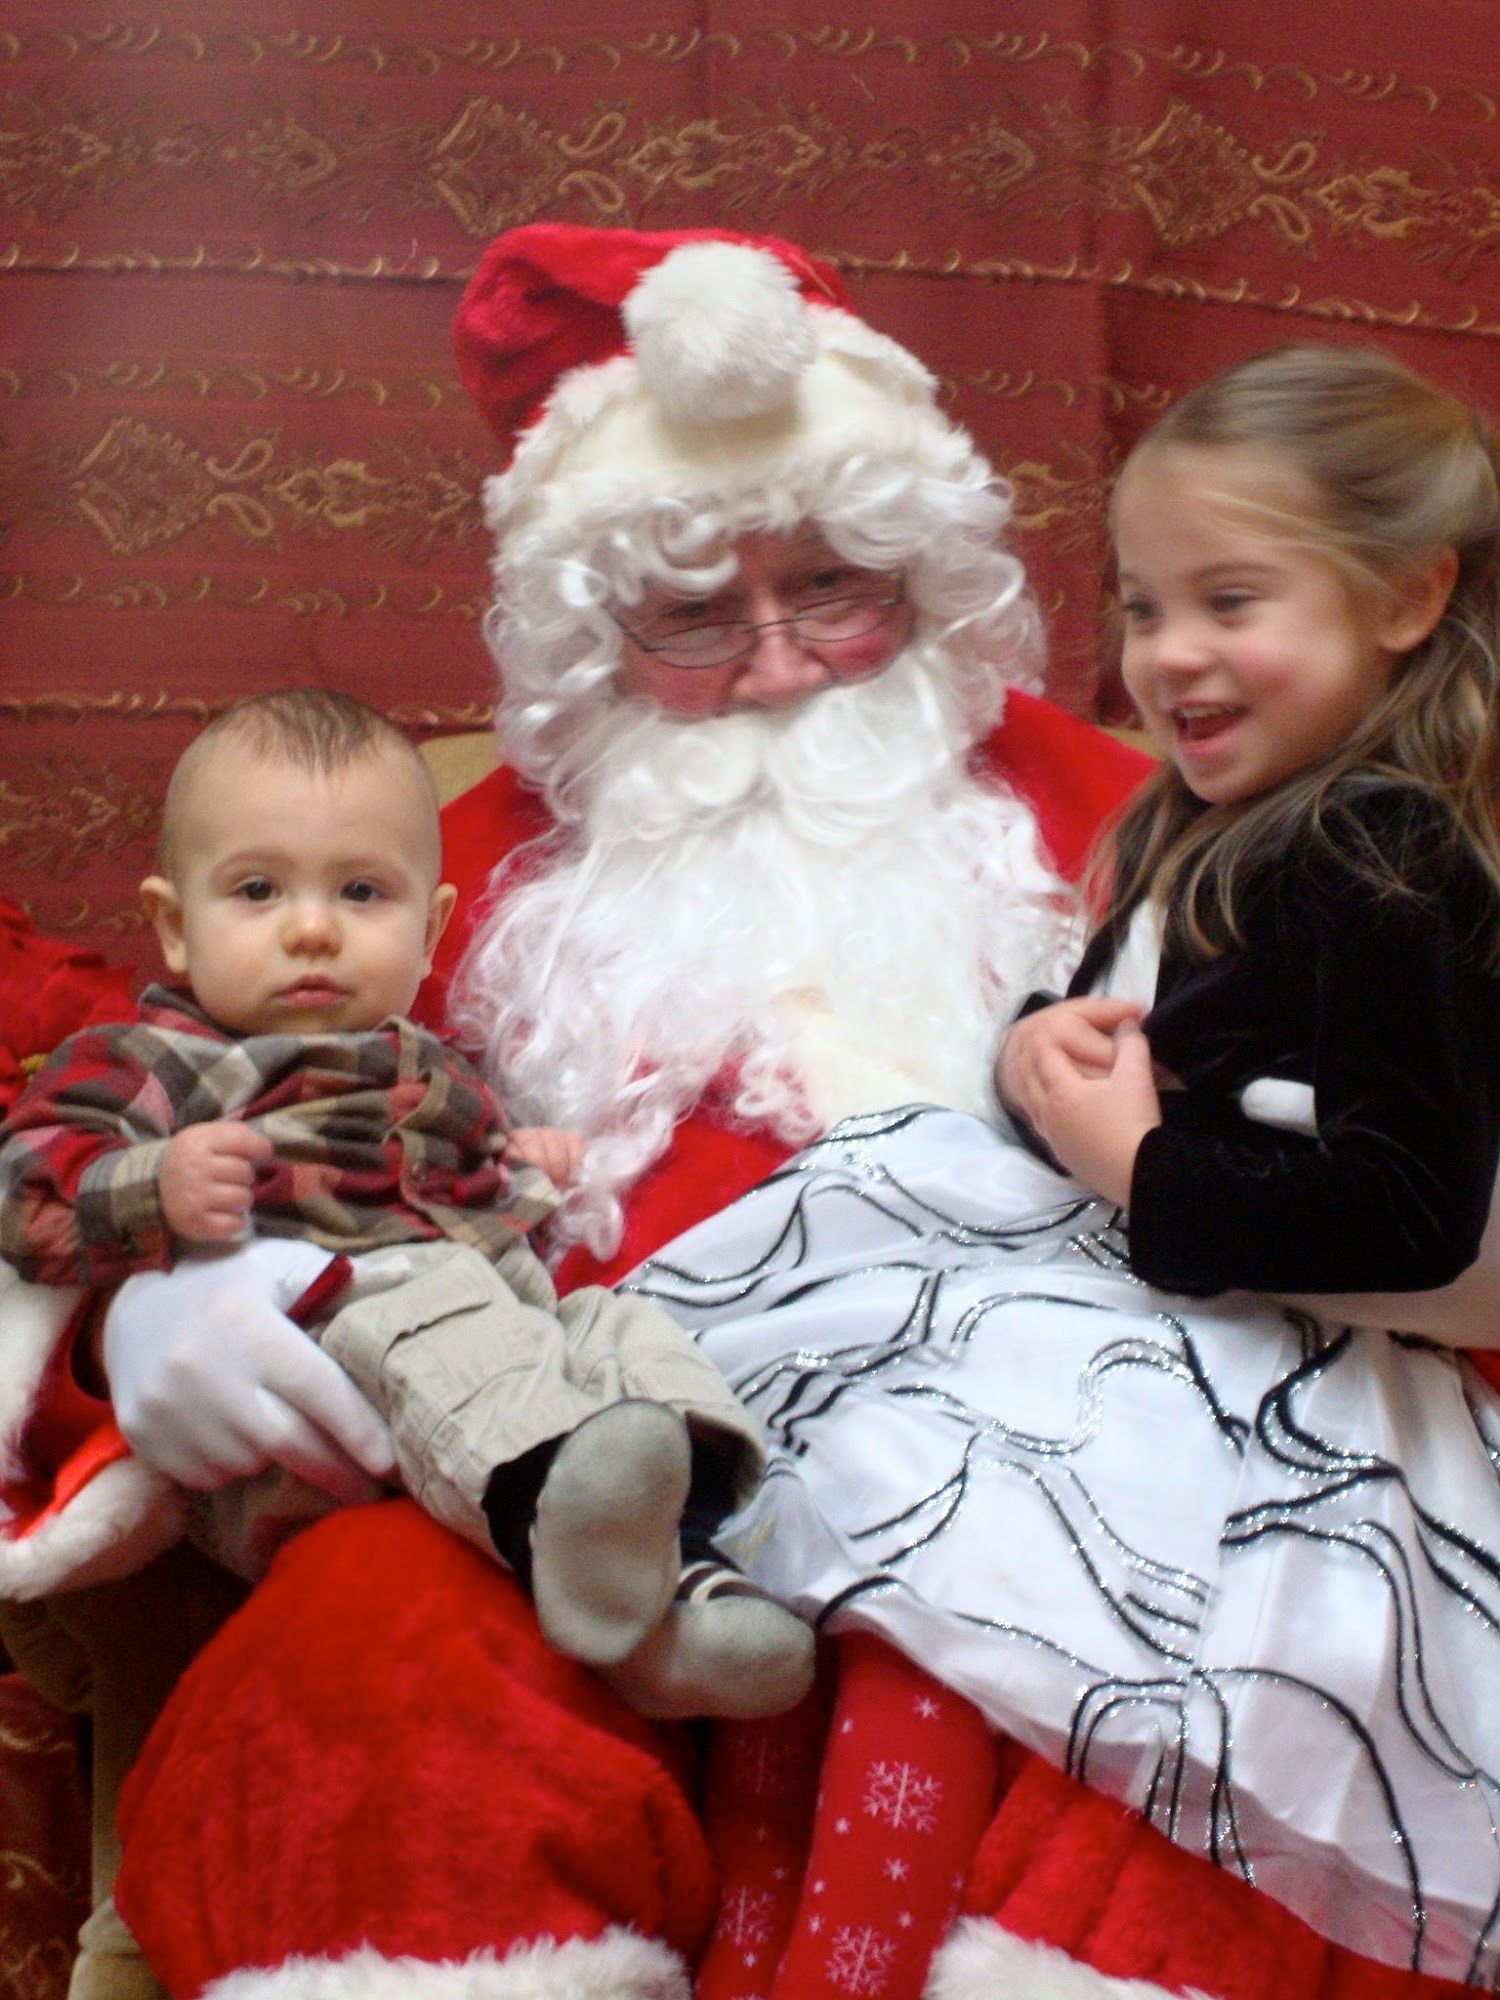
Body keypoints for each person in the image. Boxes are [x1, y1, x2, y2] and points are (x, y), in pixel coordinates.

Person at [1, 224, 1476, 2000]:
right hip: (575, 1523)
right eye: (695, 615)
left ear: (922, 578)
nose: (781, 666)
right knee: (358, 1654)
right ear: (589, 634)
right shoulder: (433, 877)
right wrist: (167, 1292)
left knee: (1249, 1691)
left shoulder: (1155, 812)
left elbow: (1409, 1145)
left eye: (836, 590)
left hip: (1072, 1524)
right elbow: (160, 1065)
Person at [625, 342, 1500, 1983]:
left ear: (1404, 598)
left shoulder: (1389, 858)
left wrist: (1137, 1168)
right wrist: (1042, 1049)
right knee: (849, 1523)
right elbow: (1138, 1027)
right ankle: (760, 1939)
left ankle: (839, 1960)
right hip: (1153, 1315)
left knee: (943, 1577)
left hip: (1304, 1383)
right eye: (1145, 606)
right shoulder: (1198, 817)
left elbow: (1408, 1207)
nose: (1171, 655)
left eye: (1229, 601)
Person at [0, 685, 813, 1723]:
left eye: (361, 893)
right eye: (256, 889)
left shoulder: (437, 1070)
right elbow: (26, 1183)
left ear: (429, 929)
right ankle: (559, 1509)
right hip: (303, 1385)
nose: (309, 928)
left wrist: (524, 1165)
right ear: (173, 923)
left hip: (472, 1341)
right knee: (422, 1304)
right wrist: (150, 1187)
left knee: (616, 1324)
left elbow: (471, 1193)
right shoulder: (157, 1059)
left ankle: (677, 1574)